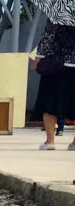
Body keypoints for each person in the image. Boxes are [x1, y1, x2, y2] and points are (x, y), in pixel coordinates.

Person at [30, 21, 75, 150]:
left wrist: (37, 61)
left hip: (57, 65)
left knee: (50, 103)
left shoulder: (58, 16)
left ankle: (50, 141)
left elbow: (47, 38)